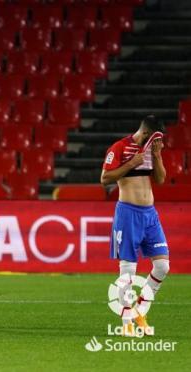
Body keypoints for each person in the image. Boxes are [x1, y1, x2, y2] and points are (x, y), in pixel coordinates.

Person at [100, 114, 169, 337]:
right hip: (128, 213)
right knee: (128, 270)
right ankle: (127, 320)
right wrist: (131, 164)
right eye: (155, 138)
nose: (157, 142)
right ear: (147, 132)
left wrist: (157, 156)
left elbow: (159, 180)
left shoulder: (151, 150)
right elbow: (105, 178)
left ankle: (141, 308)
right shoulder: (119, 147)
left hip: (150, 215)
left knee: (162, 267)